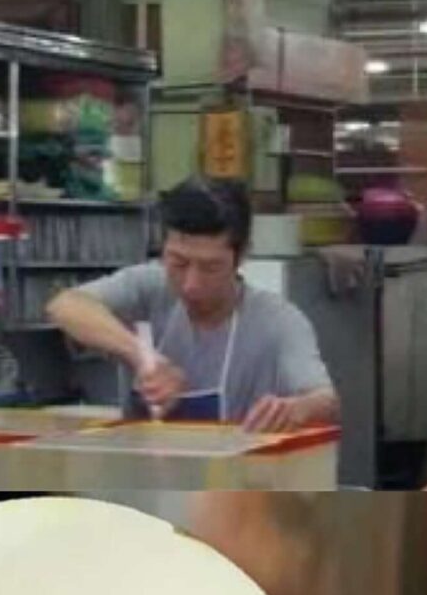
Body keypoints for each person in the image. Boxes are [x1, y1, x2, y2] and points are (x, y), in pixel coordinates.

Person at [48, 181, 338, 432]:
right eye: (179, 263)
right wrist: (141, 355)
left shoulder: (278, 321)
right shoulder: (150, 286)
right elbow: (65, 305)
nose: (191, 284)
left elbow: (326, 402)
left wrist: (296, 409)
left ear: (242, 255)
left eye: (210, 267)